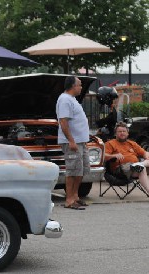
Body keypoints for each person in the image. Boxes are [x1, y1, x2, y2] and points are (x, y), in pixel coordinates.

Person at [56, 76, 90, 210]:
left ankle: (75, 196)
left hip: (81, 141)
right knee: (72, 171)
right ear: (72, 86)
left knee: (80, 170)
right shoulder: (64, 100)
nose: (81, 87)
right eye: (79, 85)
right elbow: (63, 121)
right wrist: (71, 141)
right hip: (73, 142)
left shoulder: (72, 99)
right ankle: (69, 200)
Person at [104, 122, 149, 192]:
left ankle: (140, 165)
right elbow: (103, 156)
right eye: (119, 131)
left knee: (142, 166)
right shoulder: (110, 143)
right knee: (141, 169)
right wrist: (114, 155)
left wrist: (146, 156)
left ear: (127, 133)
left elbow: (144, 153)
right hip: (121, 169)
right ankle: (140, 165)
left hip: (135, 168)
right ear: (115, 133)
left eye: (124, 131)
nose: (122, 133)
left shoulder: (132, 144)